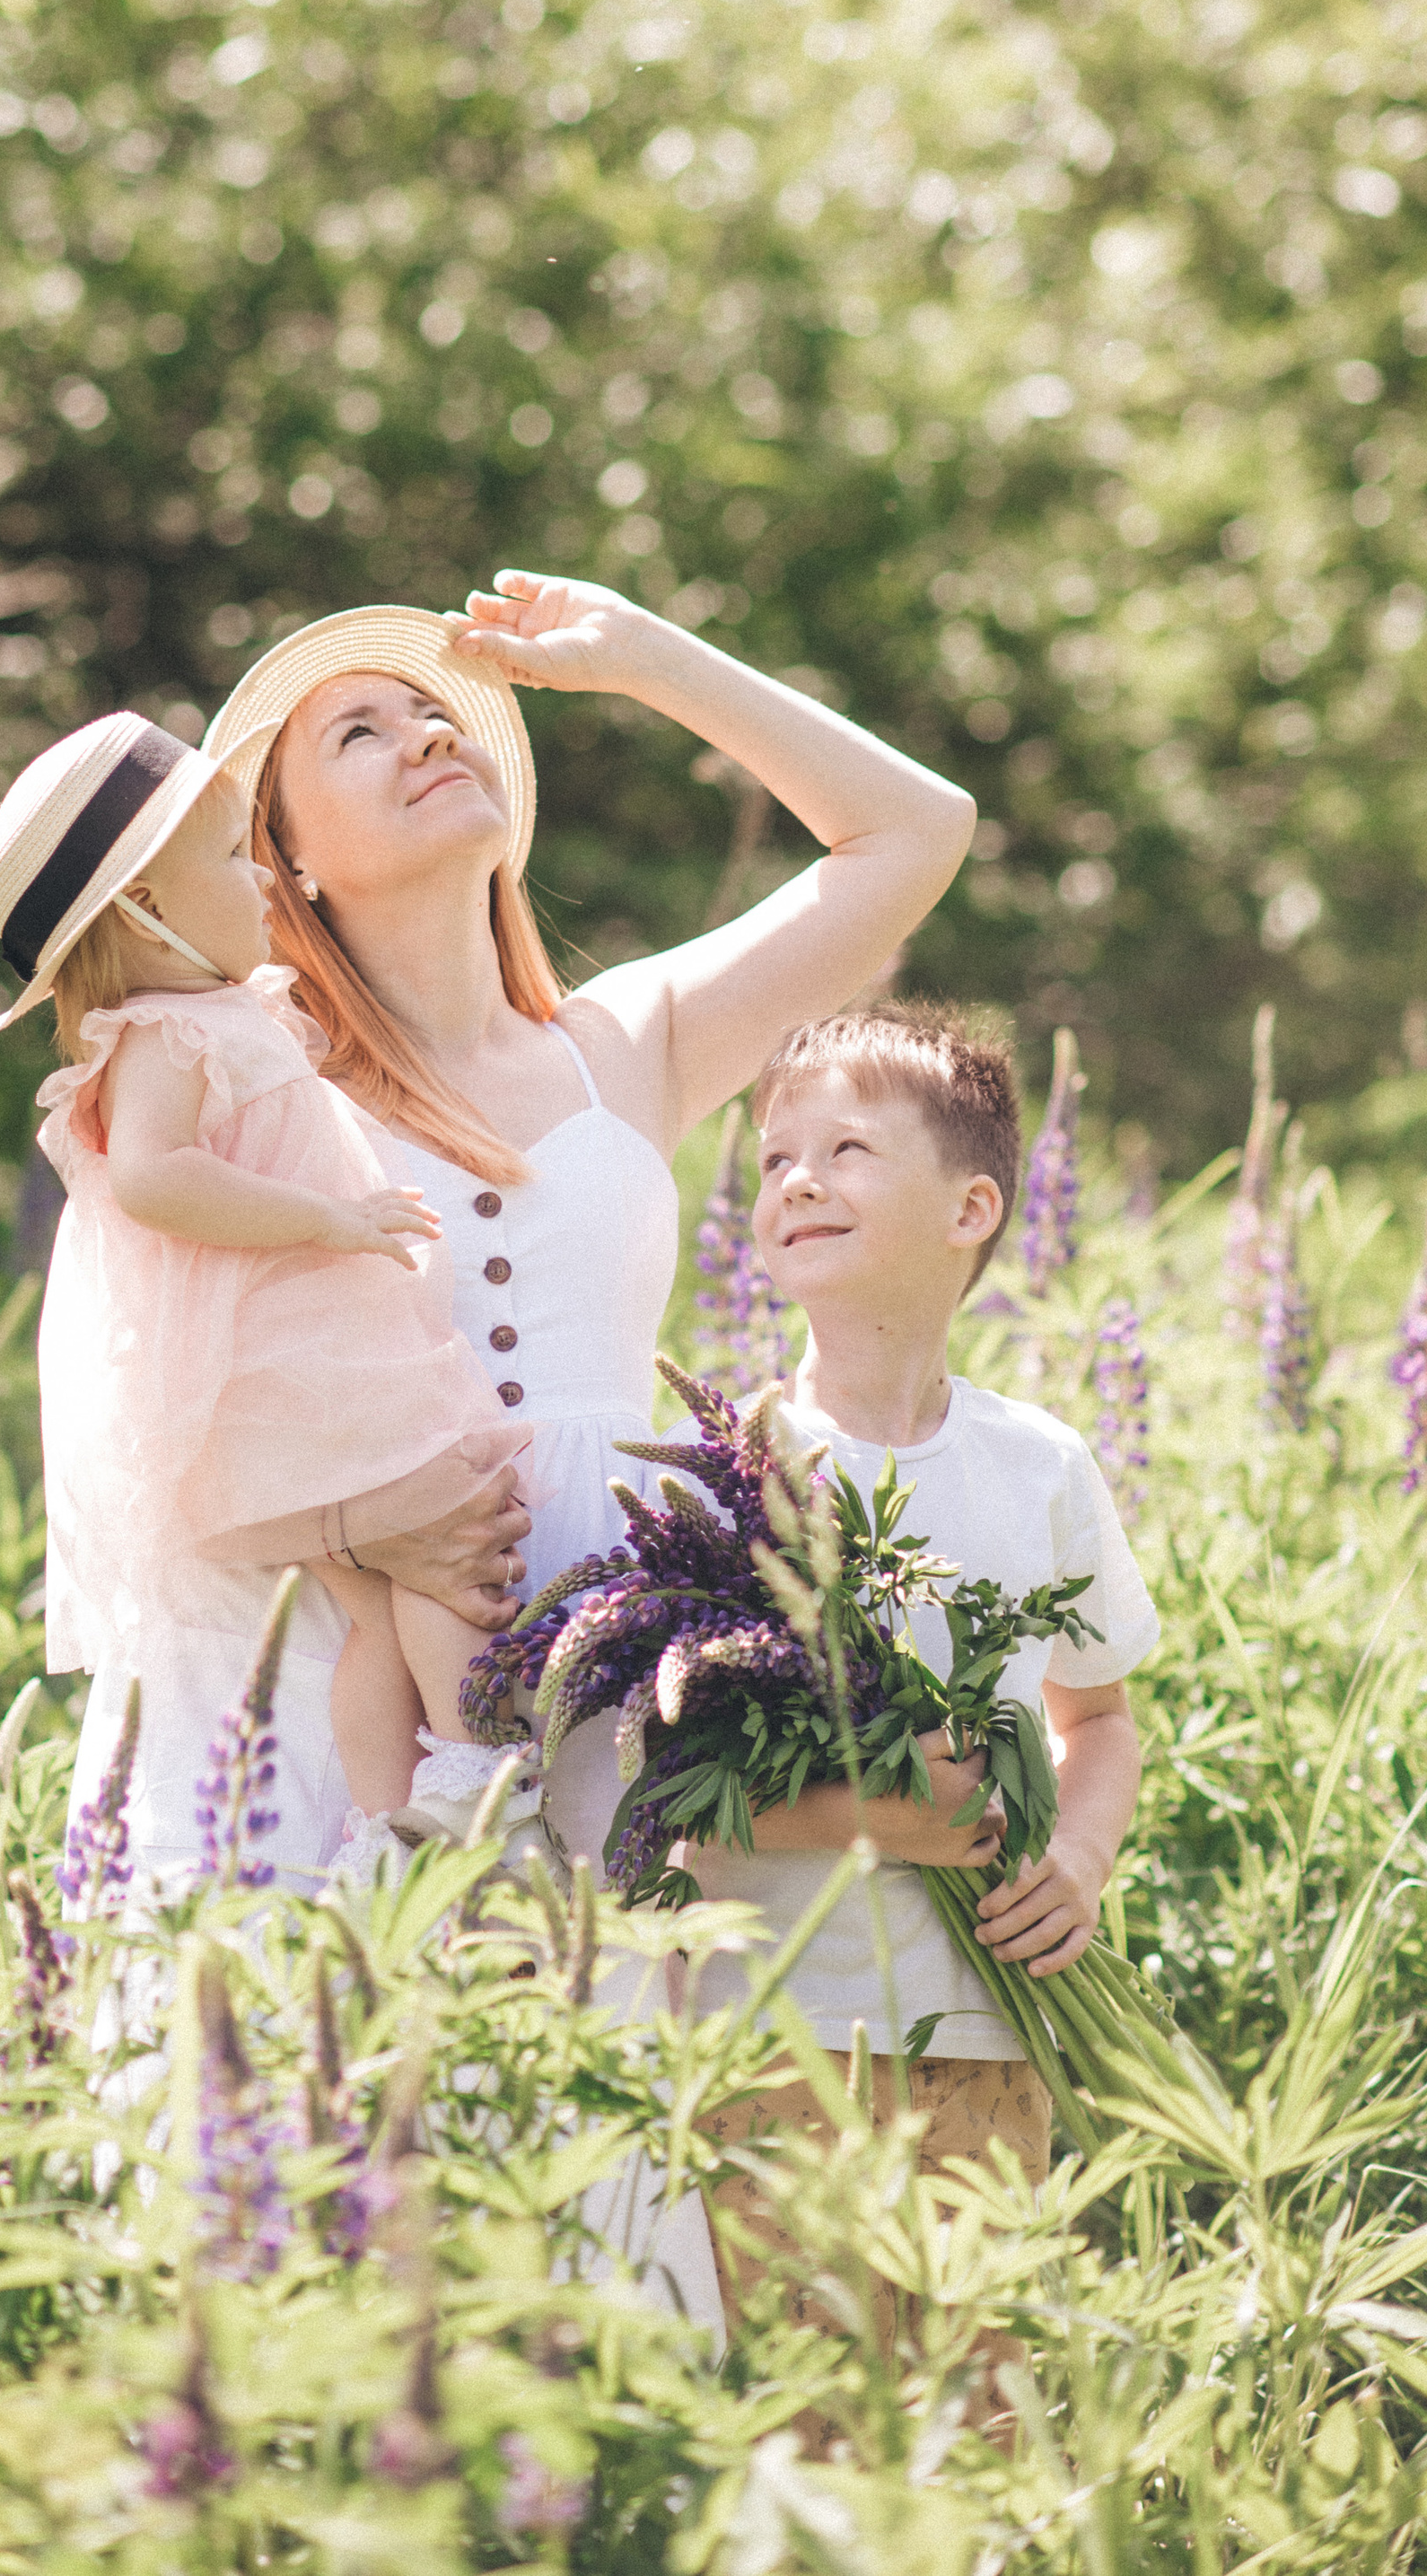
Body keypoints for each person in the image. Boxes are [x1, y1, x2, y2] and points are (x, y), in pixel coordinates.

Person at [195, 576, 978, 2320]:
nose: (421, 734)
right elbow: (194, 1384)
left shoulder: (623, 1043)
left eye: (436, 714)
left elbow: (913, 833)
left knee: (643, 2198)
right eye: (356, 729)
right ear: (290, 862)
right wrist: (371, 1531)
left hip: (654, 1690)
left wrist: (640, 658)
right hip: (399, 1708)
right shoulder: (268, 1087)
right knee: (419, 2209)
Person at [0, 709, 547, 1868]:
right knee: (443, 1506)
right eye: (231, 861)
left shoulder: (233, 1014)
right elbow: (152, 1179)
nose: (263, 878)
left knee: (378, 1605)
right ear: (147, 913)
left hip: (307, 1356)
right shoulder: (163, 1037)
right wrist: (330, 1219)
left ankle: (395, 1818)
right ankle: (477, 1766)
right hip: (282, 1366)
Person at [685, 1003, 1160, 2338]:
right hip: (778, 2031)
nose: (797, 1180)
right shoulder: (731, 1465)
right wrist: (872, 1820)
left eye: (846, 1147)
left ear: (972, 1208)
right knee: (805, 2432)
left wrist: (1078, 1858)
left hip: (987, 2040)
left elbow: (1102, 1716)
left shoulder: (1042, 1461)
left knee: (975, 2418)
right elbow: (662, 1789)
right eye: (778, 1158)